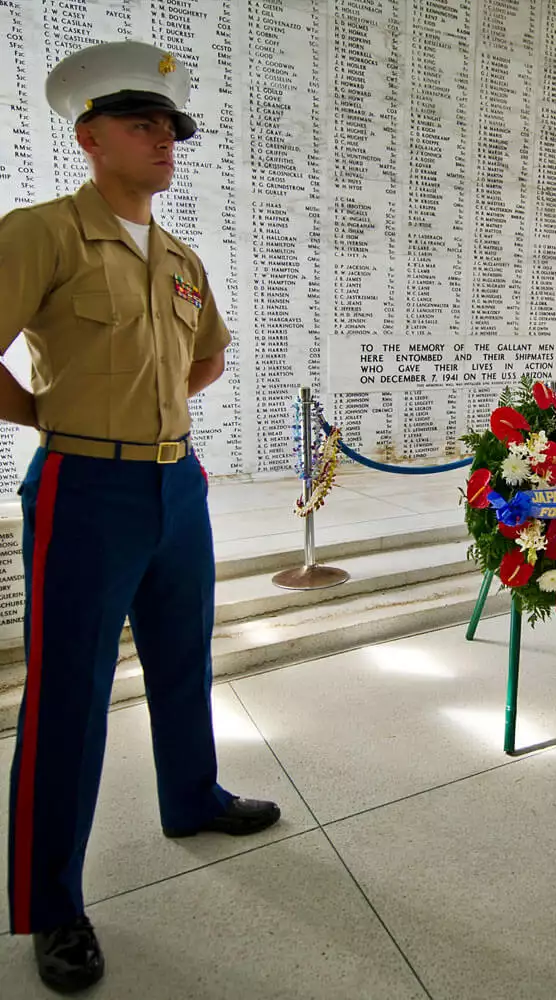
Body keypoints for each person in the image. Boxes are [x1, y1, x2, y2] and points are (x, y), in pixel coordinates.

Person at [0, 41, 280, 993]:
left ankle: (191, 797)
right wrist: (50, 413)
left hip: (174, 486)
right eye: (142, 124)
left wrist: (165, 414)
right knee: (67, 699)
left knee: (183, 653)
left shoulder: (180, 255)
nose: (165, 139)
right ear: (89, 139)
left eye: (170, 127)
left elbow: (207, 356)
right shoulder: (41, 233)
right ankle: (50, 905)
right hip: (85, 490)